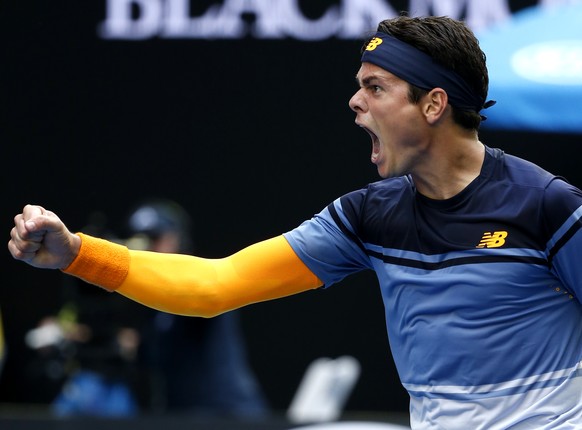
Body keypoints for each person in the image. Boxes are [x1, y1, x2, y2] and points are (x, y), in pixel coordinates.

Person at [8, 15, 582, 429]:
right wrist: (78, 254)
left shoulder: (548, 207)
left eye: (374, 88)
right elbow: (214, 286)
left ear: (432, 105)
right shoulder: (368, 217)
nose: (354, 103)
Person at [124, 198, 268, 417]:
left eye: (155, 238)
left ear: (177, 238)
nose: (148, 247)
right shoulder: (152, 303)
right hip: (184, 417)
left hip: (227, 416)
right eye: (140, 240)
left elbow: (193, 304)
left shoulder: (198, 282)